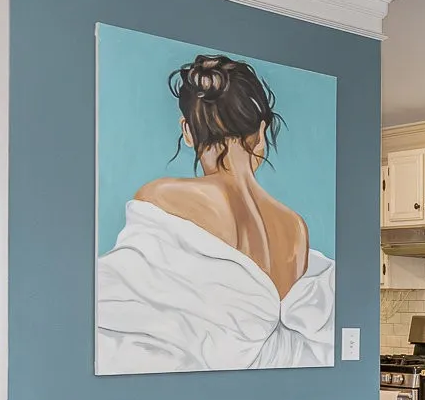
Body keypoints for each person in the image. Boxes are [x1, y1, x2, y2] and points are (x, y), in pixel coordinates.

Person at [96, 54, 334, 372]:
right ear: (261, 132)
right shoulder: (294, 228)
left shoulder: (162, 197)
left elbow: (117, 308)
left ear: (187, 131)